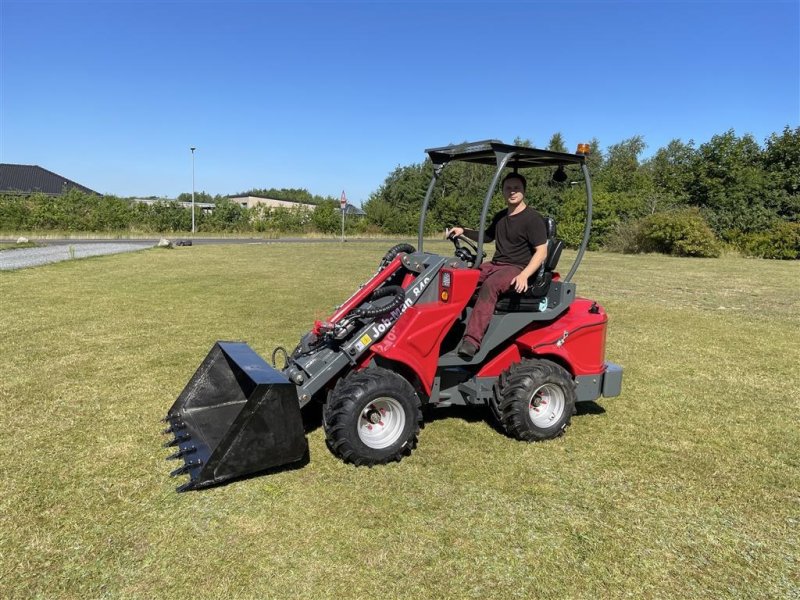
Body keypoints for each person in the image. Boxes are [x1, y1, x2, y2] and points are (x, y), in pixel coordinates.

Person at [446, 172, 548, 359]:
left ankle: (471, 341)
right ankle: (448, 331)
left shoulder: (533, 219)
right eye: (508, 188)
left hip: (517, 267)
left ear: (523, 191)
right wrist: (463, 231)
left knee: (490, 286)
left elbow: (542, 251)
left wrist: (524, 275)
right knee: (462, 278)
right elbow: (486, 236)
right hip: (495, 264)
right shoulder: (501, 216)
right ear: (502, 191)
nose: (512, 192)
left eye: (516, 188)